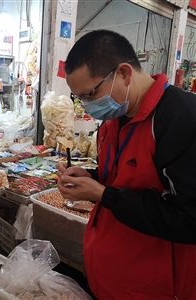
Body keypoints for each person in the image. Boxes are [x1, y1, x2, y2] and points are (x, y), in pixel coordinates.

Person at [56, 30, 196, 299]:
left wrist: (102, 194)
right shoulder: (112, 120)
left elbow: (188, 220)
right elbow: (128, 179)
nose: (87, 107)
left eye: (90, 94)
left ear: (124, 73)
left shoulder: (182, 118)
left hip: (156, 289)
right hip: (111, 280)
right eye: (80, 99)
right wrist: (92, 176)